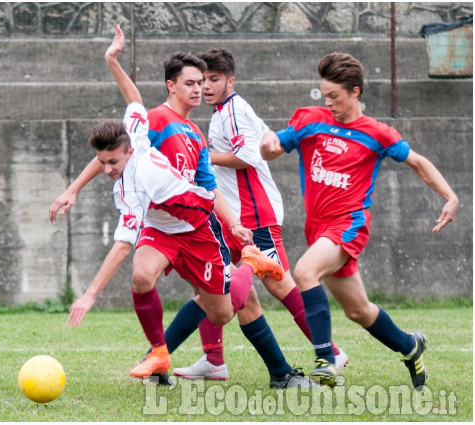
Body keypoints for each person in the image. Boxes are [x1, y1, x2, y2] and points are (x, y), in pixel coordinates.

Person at [60, 25, 289, 382]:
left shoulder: (196, 135)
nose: (199, 89)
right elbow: (113, 153)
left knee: (222, 313)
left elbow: (209, 191)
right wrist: (72, 189)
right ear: (171, 85)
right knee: (141, 275)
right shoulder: (155, 121)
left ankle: (250, 264)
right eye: (191, 83)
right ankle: (160, 355)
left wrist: (233, 226)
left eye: (202, 83)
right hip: (161, 229)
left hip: (196, 230)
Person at [260, 52, 459, 389]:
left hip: (349, 224)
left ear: (355, 92)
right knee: (359, 311)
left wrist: (450, 196)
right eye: (325, 95)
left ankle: (326, 358)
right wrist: (268, 146)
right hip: (318, 229)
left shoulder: (377, 133)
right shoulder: (311, 119)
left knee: (305, 272)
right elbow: (274, 146)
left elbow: (419, 163)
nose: (329, 102)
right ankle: (411, 347)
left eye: (335, 96)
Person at [171, 48, 347, 381]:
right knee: (211, 282)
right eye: (203, 80)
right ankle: (214, 360)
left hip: (255, 214)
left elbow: (249, 156)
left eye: (214, 79)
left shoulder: (233, 110)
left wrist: (203, 157)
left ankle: (331, 352)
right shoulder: (226, 111)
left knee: (280, 285)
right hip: (234, 216)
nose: (206, 86)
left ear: (230, 81)